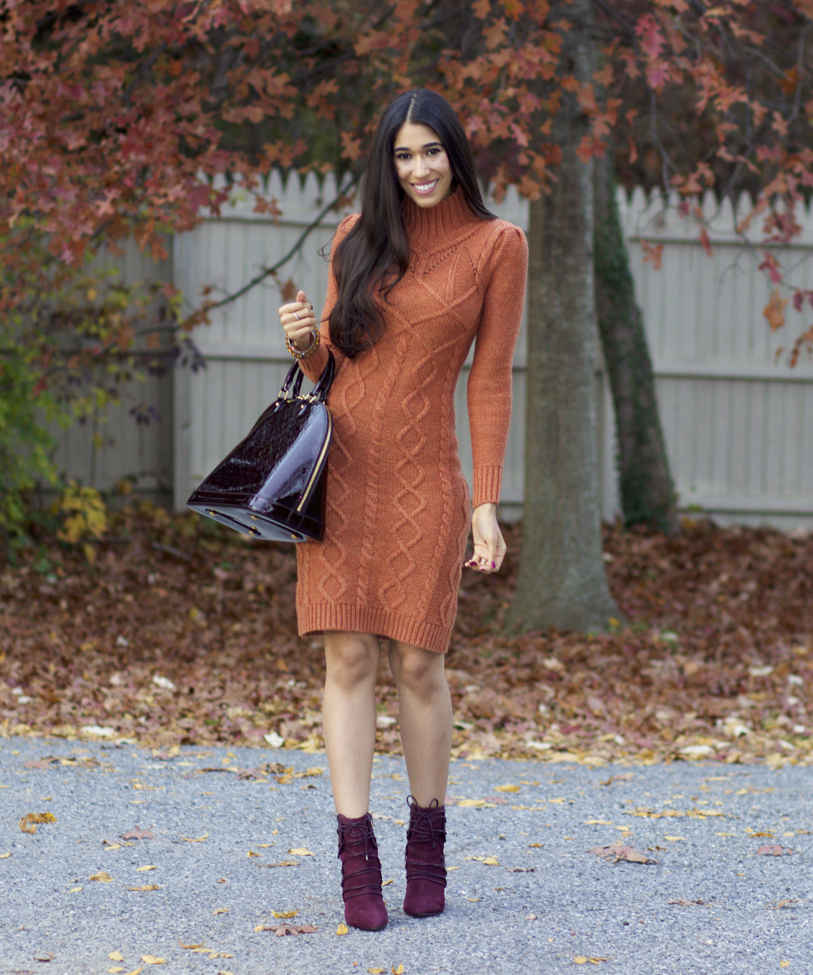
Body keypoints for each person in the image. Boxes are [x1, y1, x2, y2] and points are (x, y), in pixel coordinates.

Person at [277, 88, 527, 931]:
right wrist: (304, 342)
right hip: (340, 471)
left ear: (456, 153)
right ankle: (358, 861)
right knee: (346, 659)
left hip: (427, 478)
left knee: (418, 664)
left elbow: (489, 379)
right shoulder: (356, 237)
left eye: (431, 151)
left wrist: (486, 501)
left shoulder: (498, 245)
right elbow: (332, 374)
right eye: (402, 154)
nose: (418, 168)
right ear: (385, 163)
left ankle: (428, 847)